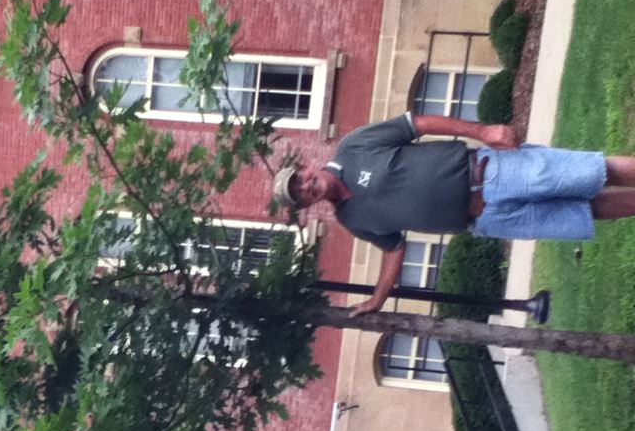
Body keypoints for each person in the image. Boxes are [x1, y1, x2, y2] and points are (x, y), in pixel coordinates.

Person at [272, 112, 635, 315]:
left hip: (490, 171)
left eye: (299, 180)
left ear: (306, 168)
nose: (305, 187)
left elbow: (417, 125)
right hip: (488, 221)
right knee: (586, 212)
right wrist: (378, 298)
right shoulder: (351, 219)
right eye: (299, 195)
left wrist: (483, 131)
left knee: (594, 172)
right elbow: (393, 248)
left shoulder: (353, 147)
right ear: (306, 206)